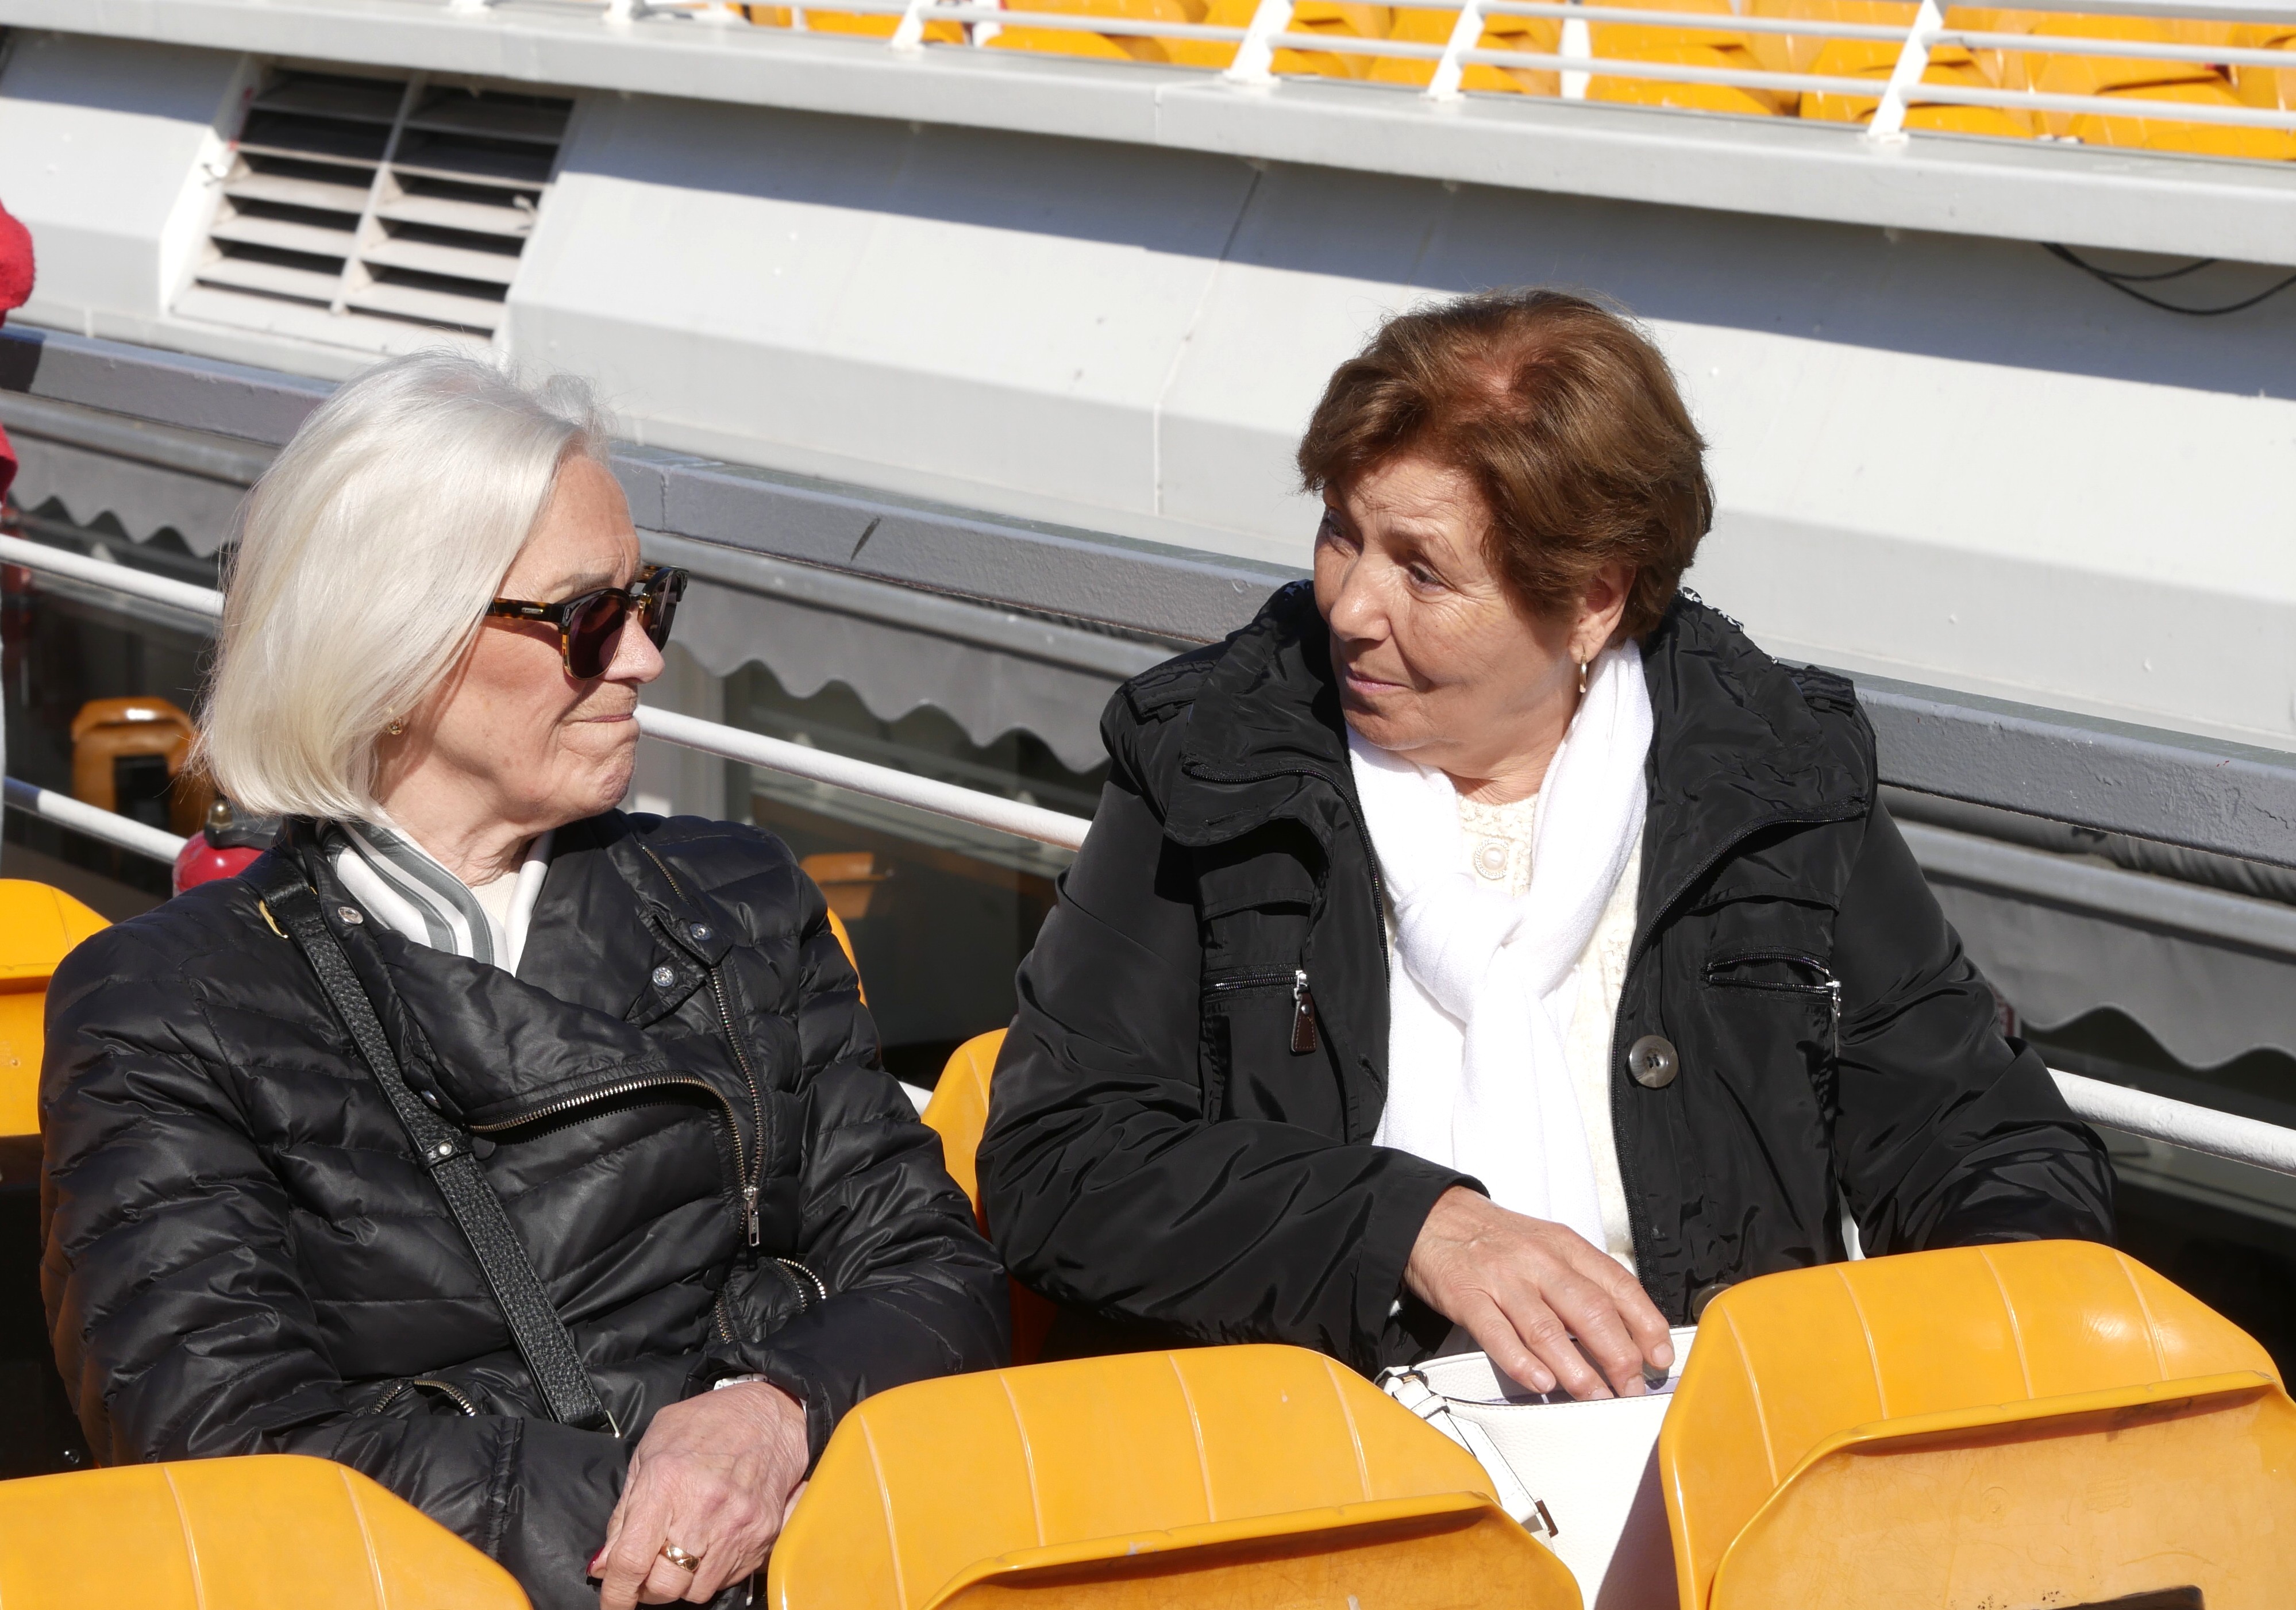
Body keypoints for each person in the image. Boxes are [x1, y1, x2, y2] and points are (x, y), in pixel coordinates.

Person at [979, 290, 2112, 1403]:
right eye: (1341, 534)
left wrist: (1966, 1350)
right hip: (1320, 1460)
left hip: (1718, 1444)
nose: (1350, 608)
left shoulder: (1774, 780)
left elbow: (1985, 1142)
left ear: (1592, 602)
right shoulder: (1214, 761)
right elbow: (1060, 1163)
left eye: (1421, 570)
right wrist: (1408, 1227)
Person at [41, 353, 1008, 1610]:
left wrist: (777, 1412)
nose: (644, 657)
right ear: (399, 638)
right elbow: (233, 1457)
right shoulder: (164, 1004)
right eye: (587, 617)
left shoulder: (741, 899)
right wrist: (666, 1518)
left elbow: (931, 1266)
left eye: (652, 600)